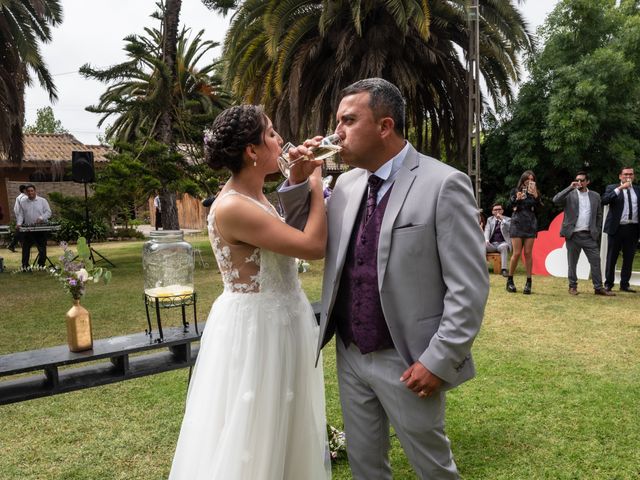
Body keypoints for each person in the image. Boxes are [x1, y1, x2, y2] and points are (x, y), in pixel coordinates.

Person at [279, 78, 489, 479]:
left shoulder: (443, 183)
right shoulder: (345, 184)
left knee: (433, 467)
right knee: (365, 464)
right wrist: (296, 179)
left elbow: (469, 287)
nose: (335, 131)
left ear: (385, 126)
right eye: (337, 120)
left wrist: (439, 360)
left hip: (407, 358)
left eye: (348, 120)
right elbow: (297, 236)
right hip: (350, 352)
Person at [169, 105, 331, 480]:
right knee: (255, 430)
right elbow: (311, 246)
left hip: (281, 318)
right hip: (259, 328)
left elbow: (281, 240)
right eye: (271, 134)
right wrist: (317, 184)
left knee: (285, 425)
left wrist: (299, 178)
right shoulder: (232, 207)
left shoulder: (256, 197)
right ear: (252, 151)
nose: (279, 141)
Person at [552, 171, 614, 296]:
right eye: (577, 180)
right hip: (573, 235)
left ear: (587, 181)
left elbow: (598, 214)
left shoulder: (595, 195)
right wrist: (570, 187)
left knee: (596, 261)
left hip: (589, 235)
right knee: (572, 263)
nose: (579, 182)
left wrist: (596, 230)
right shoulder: (570, 194)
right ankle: (572, 286)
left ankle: (598, 288)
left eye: (582, 180)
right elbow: (556, 200)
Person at [601, 166, 639, 292]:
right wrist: (620, 188)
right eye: (625, 174)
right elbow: (605, 200)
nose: (628, 176)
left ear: (633, 176)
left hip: (633, 228)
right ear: (620, 176)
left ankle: (624, 284)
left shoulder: (638, 190)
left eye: (631, 174)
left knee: (629, 257)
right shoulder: (612, 188)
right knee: (612, 257)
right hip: (616, 228)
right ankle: (608, 284)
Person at [506, 170, 541, 294]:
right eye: (528, 179)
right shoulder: (515, 191)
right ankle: (510, 281)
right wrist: (517, 199)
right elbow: (509, 206)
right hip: (517, 223)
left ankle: (529, 282)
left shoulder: (535, 193)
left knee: (528, 253)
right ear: (523, 179)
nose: (530, 181)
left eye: (532, 179)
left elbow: (540, 208)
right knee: (516, 254)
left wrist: (536, 195)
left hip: (530, 224)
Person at [15, 184, 51, 270]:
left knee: (42, 248)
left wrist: (42, 218)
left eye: (32, 191)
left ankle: (41, 265)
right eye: (28, 191)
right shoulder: (23, 202)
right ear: (26, 193)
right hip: (28, 229)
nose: (30, 193)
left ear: (35, 191)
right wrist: (19, 223)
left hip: (41, 228)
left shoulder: (43, 201)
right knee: (26, 248)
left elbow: (48, 212)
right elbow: (20, 215)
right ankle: (25, 266)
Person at [484, 202, 512, 276]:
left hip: (503, 243)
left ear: (502, 211)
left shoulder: (508, 219)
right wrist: (486, 240)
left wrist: (502, 219)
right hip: (492, 244)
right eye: (495, 210)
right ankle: (483, 267)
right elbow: (487, 230)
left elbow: (510, 228)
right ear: (492, 212)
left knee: (503, 247)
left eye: (499, 209)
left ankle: (504, 269)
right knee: (482, 245)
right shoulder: (490, 220)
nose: (497, 211)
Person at [7, 185, 27, 252]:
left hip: (20, 217)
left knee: (20, 232)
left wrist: (18, 217)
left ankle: (14, 245)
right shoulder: (24, 198)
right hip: (23, 218)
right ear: (24, 190)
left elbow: (15, 209)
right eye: (26, 189)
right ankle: (12, 245)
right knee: (20, 232)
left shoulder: (18, 197)